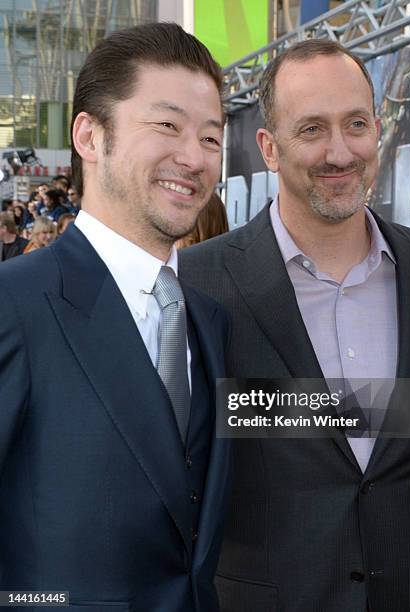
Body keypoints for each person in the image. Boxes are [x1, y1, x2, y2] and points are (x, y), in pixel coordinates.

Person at [179, 39, 410, 612]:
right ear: (268, 147)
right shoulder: (196, 282)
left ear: (377, 130)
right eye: (311, 129)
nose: (340, 152)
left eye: (355, 124)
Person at [0, 22, 230, 612]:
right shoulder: (15, 304)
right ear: (89, 136)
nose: (194, 157)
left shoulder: (209, 320)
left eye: (211, 137)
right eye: (167, 125)